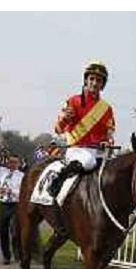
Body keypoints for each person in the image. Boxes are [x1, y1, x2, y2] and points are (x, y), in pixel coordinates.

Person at [50, 61, 115, 197]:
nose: (95, 83)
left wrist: (107, 143)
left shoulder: (107, 109)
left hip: (98, 152)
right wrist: (65, 119)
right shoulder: (73, 101)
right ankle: (59, 179)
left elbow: (109, 135)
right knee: (87, 161)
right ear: (86, 80)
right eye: (91, 79)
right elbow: (58, 129)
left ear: (103, 85)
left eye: (99, 80)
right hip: (77, 150)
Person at [0, 153, 25, 264]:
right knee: (2, 231)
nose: (12, 164)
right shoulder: (2, 171)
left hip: (15, 206)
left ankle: (17, 253)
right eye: (10, 162)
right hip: (3, 205)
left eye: (15, 162)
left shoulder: (22, 176)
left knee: (15, 231)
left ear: (18, 164)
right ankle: (6, 256)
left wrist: (11, 192)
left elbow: (23, 193)